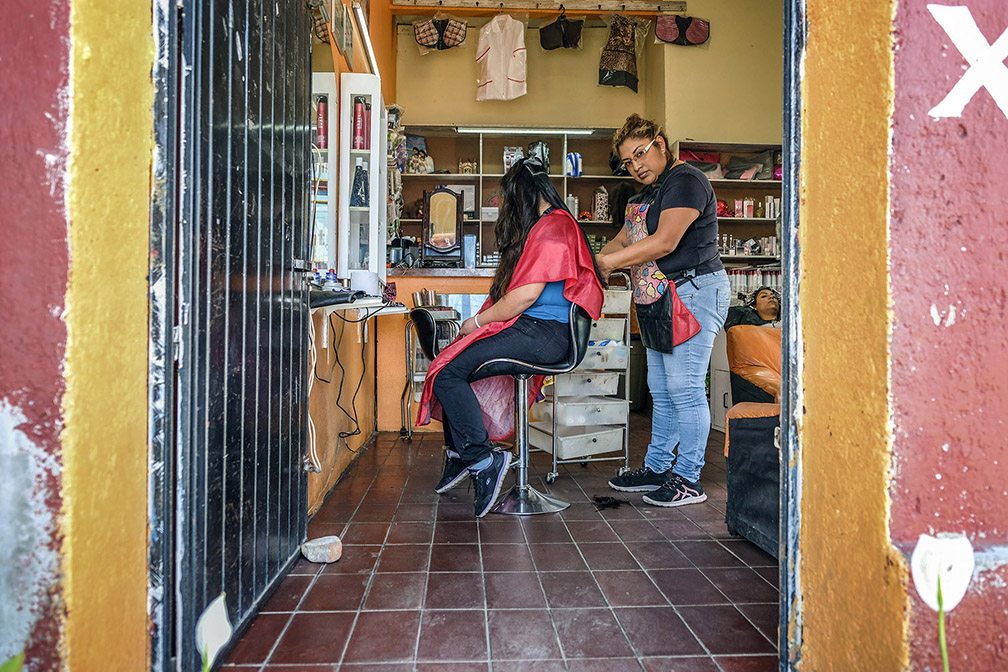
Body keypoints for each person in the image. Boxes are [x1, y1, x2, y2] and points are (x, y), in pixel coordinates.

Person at [416, 156, 605, 517]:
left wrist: (476, 322)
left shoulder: (552, 227)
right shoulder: (552, 225)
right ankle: (462, 454)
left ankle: (480, 459)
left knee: (448, 371)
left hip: (544, 334)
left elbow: (524, 297)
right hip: (536, 331)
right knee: (451, 367)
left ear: (522, 195)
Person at [596, 113, 730, 508]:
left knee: (685, 389)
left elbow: (665, 241)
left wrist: (608, 264)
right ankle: (657, 467)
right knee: (662, 389)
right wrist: (599, 258)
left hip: (694, 291)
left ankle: (688, 478)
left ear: (659, 143)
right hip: (660, 298)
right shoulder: (643, 196)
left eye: (640, 154)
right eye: (628, 162)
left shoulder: (685, 181)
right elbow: (621, 241)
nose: (636, 166)